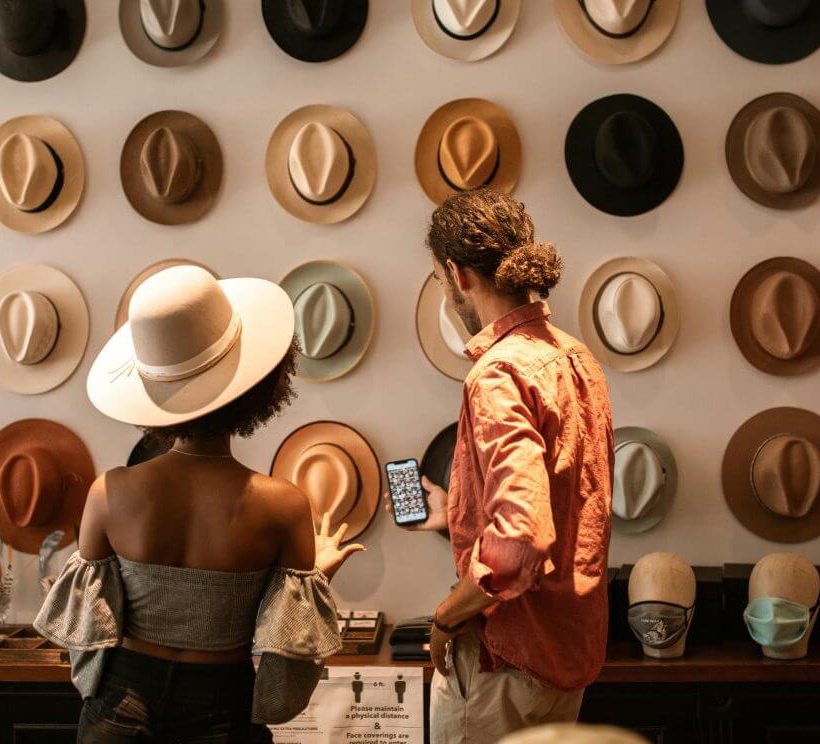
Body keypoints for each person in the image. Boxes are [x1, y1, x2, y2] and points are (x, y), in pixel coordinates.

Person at [35, 266, 364, 743]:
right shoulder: (283, 505)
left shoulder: (109, 492)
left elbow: (88, 628)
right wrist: (319, 575)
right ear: (257, 386)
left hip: (120, 707)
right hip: (222, 710)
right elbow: (287, 638)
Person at [394, 188, 614, 742]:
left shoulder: (498, 373)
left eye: (441, 281)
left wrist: (446, 617)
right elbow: (565, 501)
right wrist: (461, 509)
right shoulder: (575, 357)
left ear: (457, 274)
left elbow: (520, 542)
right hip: (564, 654)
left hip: (506, 667)